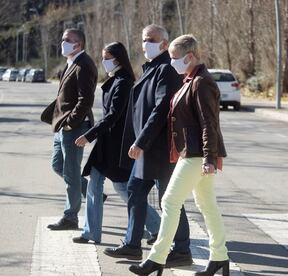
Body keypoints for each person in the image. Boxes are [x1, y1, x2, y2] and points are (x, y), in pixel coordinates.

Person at [129, 34, 229, 276]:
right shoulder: (189, 80)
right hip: (192, 152)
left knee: (169, 202)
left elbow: (209, 124)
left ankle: (156, 258)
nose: (171, 62)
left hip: (196, 154)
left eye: (175, 57)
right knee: (207, 205)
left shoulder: (201, 82)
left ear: (190, 56)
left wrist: (208, 158)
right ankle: (220, 257)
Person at [104, 24, 192, 267]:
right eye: (143, 39)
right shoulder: (151, 68)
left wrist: (141, 141)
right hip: (146, 148)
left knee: (169, 200)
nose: (145, 43)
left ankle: (182, 249)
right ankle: (133, 245)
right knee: (135, 191)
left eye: (150, 39)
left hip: (160, 149)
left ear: (164, 43)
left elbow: (161, 109)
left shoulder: (166, 69)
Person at [72, 42, 159, 244]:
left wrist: (89, 135)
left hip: (117, 146)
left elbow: (113, 115)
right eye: (103, 57)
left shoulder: (124, 82)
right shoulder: (116, 80)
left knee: (123, 188)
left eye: (107, 58)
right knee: (94, 185)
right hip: (106, 144)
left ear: (117, 59)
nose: (104, 62)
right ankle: (91, 232)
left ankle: (158, 227)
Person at [42, 28, 98, 231]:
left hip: (73, 127)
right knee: (58, 166)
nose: (62, 42)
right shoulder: (71, 63)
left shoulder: (84, 64)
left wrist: (71, 123)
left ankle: (70, 217)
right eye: (62, 38)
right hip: (61, 126)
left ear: (78, 44)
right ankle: (95, 194)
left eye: (67, 39)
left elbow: (86, 100)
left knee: (71, 172)